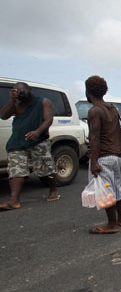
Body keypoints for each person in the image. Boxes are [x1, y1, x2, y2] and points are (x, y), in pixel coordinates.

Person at [0, 82, 58, 210]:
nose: (20, 94)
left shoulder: (43, 102)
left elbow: (48, 119)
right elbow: (3, 116)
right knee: (16, 169)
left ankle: (53, 190)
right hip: (18, 141)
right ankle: (14, 200)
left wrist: (37, 132)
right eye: (16, 92)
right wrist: (12, 101)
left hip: (38, 140)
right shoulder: (16, 104)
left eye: (21, 91)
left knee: (46, 167)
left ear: (30, 90)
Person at [85, 76, 121, 233]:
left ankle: (111, 224)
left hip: (103, 156)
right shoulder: (111, 108)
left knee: (106, 191)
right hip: (116, 156)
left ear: (88, 91)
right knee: (116, 187)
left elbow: (95, 137)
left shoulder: (95, 110)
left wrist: (94, 161)